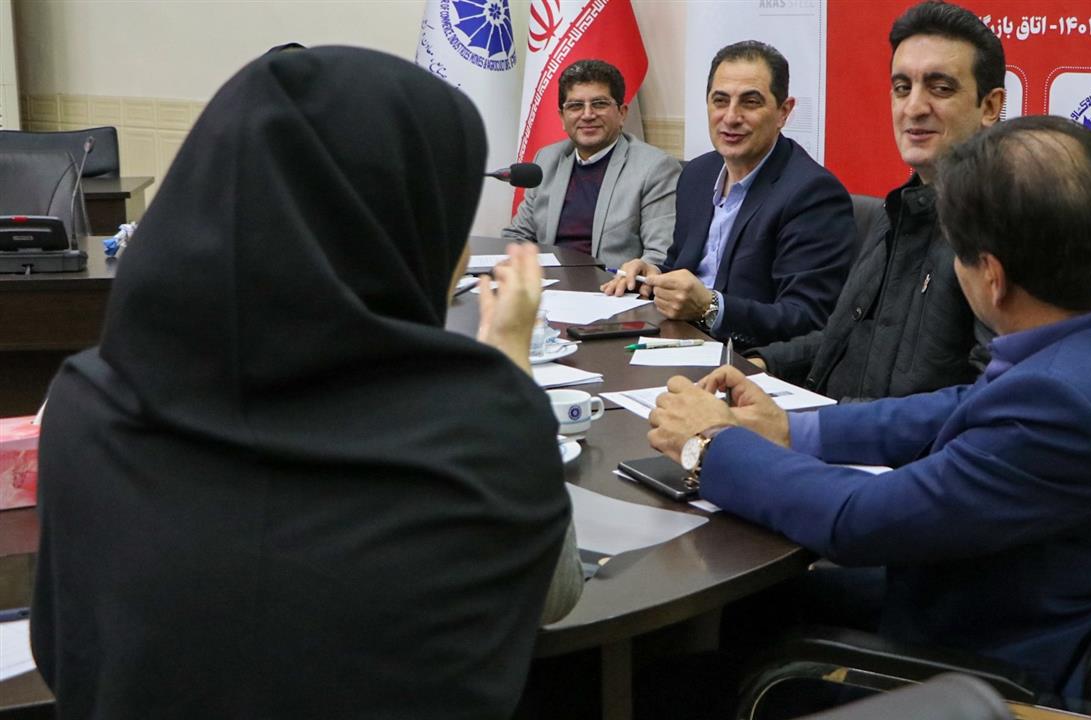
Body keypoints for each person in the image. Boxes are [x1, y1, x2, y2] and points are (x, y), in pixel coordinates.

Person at [31, 47, 577, 719]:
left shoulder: (85, 406)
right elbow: (552, 601)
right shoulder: (486, 434)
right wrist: (509, 361)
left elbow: (66, 657)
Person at [646, 115, 1091, 694]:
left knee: (664, 683)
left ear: (992, 278)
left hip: (984, 670)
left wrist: (711, 445)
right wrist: (796, 430)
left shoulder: (1064, 410)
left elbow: (860, 520)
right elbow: (972, 402)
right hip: (1022, 584)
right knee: (750, 603)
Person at [746, 0, 1003, 402]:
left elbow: (987, 400)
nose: (913, 107)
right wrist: (759, 366)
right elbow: (841, 340)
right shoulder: (901, 207)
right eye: (902, 88)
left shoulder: (1002, 226)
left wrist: (816, 424)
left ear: (989, 106)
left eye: (940, 88)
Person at [602, 41, 855, 349]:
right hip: (678, 341)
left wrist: (710, 308)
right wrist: (652, 277)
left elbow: (807, 319)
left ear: (783, 112)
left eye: (750, 102)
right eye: (720, 101)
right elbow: (683, 268)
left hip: (747, 359)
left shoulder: (812, 194)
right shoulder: (697, 174)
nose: (731, 117)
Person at [502, 59, 681, 270]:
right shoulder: (547, 159)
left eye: (599, 104)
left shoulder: (655, 168)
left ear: (622, 113)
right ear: (562, 117)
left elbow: (659, 256)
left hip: (610, 286)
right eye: (575, 106)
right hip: (547, 283)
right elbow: (517, 236)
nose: (587, 115)